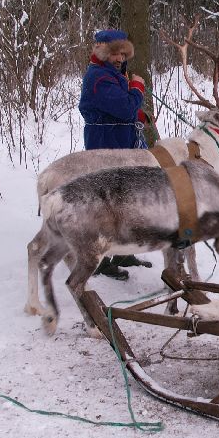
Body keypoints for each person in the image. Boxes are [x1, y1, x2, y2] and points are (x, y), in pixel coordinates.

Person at [78, 29, 151, 279]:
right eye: (115, 53)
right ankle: (100, 260)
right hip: (105, 144)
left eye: (123, 53)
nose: (120, 58)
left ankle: (122, 252)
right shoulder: (99, 78)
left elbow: (122, 108)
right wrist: (137, 88)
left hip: (118, 140)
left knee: (124, 201)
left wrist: (137, 115)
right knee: (107, 203)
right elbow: (125, 106)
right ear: (103, 52)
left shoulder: (110, 74)